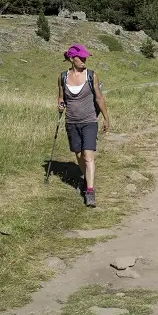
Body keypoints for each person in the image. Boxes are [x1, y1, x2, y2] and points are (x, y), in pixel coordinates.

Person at [57, 44, 111, 207]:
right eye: (81, 58)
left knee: (89, 157)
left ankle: (89, 191)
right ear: (72, 59)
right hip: (71, 121)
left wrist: (106, 118)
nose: (84, 60)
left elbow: (99, 98)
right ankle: (87, 179)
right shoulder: (62, 77)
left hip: (89, 121)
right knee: (79, 155)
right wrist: (60, 105)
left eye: (85, 57)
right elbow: (60, 98)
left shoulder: (92, 75)